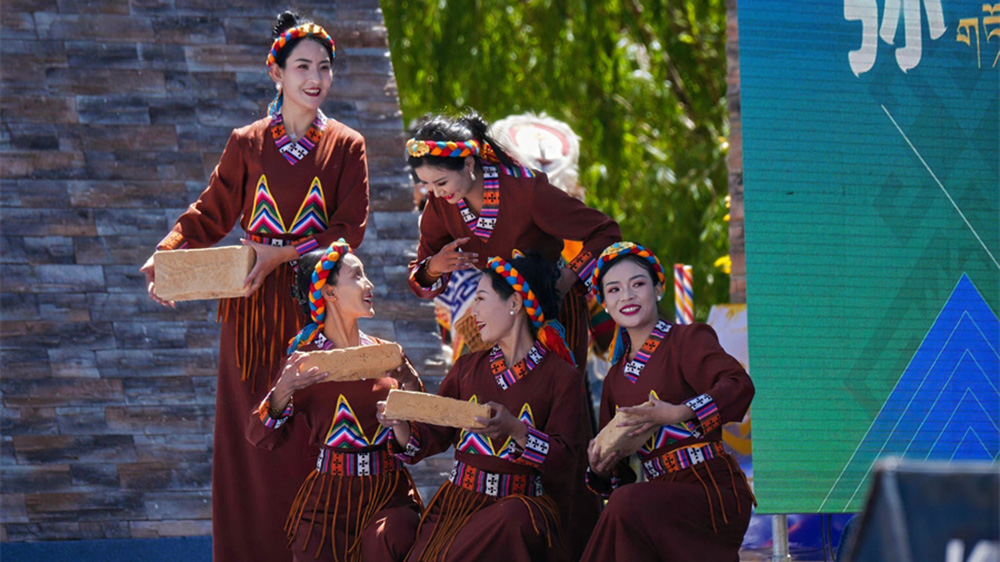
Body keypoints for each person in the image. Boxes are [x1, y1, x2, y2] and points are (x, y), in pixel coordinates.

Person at [139, 11, 370, 561]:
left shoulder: (347, 145)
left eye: (324, 67)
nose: (314, 77)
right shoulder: (246, 143)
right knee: (247, 445)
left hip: (318, 312)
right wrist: (167, 255)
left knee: (311, 436)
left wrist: (281, 254)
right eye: (301, 66)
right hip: (247, 316)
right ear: (277, 73)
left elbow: (349, 229)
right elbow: (210, 213)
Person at [378, 253, 593, 562]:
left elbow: (568, 462)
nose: (473, 311)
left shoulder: (561, 377)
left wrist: (517, 430)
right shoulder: (467, 368)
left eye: (480, 298)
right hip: (457, 507)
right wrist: (397, 422)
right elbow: (431, 437)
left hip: (521, 513)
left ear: (515, 303)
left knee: (513, 518)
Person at [580, 242, 756, 562]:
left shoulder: (686, 340)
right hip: (656, 498)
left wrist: (679, 412)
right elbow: (619, 474)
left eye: (638, 284)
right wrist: (599, 466)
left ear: (658, 289)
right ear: (604, 303)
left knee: (625, 506)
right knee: (624, 507)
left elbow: (738, 384)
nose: (627, 296)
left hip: (710, 489)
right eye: (614, 289)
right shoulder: (615, 380)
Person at [247, 241, 422, 562]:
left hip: (390, 497)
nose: (369, 285)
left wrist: (408, 384)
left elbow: (422, 440)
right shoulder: (307, 362)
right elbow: (259, 436)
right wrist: (282, 391)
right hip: (327, 504)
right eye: (357, 276)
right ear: (329, 293)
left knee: (396, 534)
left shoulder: (388, 353)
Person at [405, 112, 621, 371]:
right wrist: (435, 267)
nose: (437, 193)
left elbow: (605, 231)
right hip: (494, 315)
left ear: (469, 164)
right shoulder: (441, 204)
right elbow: (419, 277)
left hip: (551, 308)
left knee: (557, 396)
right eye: (427, 185)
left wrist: (570, 276)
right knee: (490, 398)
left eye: (441, 182)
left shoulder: (528, 192)